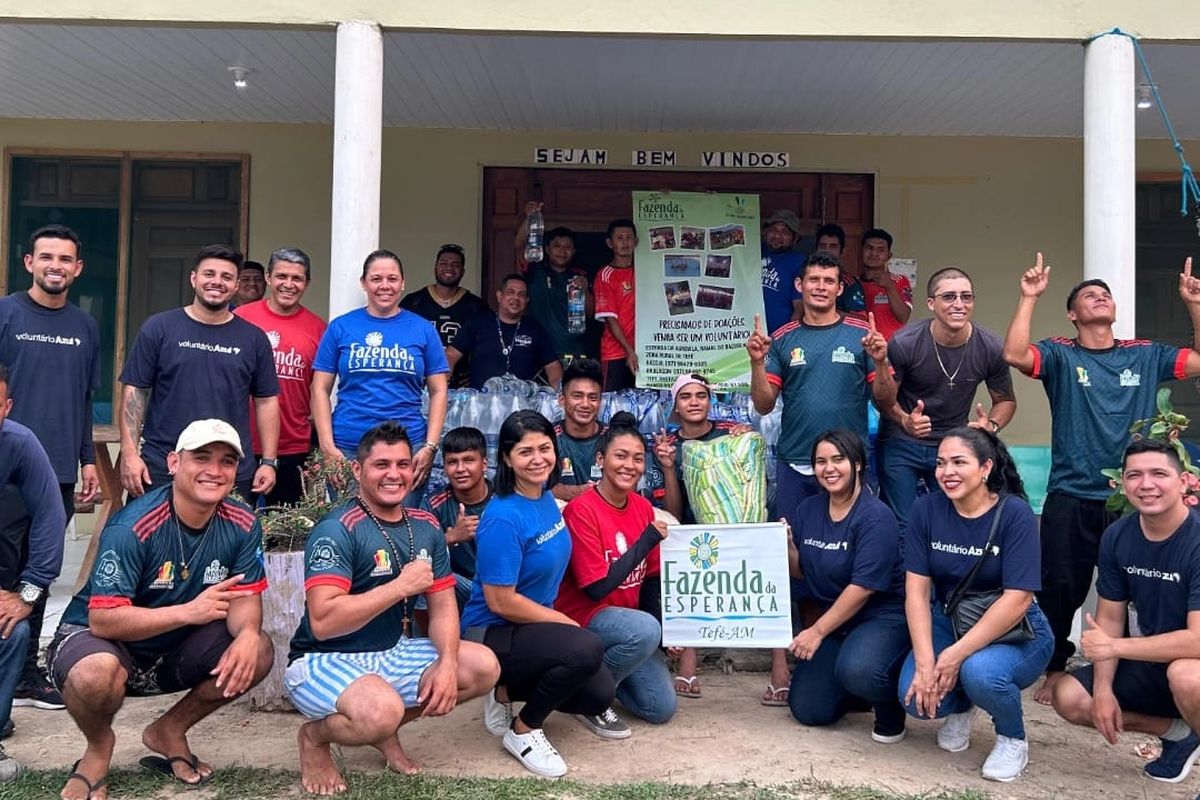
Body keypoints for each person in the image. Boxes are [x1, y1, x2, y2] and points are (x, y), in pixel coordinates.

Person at [1002, 253, 1200, 704]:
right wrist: (1029, 296)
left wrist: (1194, 305)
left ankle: (1130, 670)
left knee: (1135, 588)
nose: (1101, 297)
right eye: (1090, 295)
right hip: (1071, 493)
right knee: (1060, 586)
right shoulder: (1059, 353)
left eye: (1105, 294)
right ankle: (1054, 666)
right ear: (1073, 314)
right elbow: (1014, 354)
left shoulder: (1146, 354)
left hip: (1133, 499)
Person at [48, 418, 274, 797]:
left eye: (226, 461)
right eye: (201, 458)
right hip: (100, 641)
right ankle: (99, 747)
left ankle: (168, 729)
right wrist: (188, 612)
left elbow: (245, 596)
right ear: (173, 463)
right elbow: (103, 619)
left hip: (168, 650)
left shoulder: (243, 522)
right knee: (95, 673)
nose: (214, 471)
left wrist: (249, 634)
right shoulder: (133, 525)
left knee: (259, 649)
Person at [286, 422, 499, 794]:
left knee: (482, 667)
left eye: (402, 464)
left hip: (390, 652)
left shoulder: (425, 525)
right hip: (324, 659)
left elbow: (444, 607)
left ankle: (386, 732)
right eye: (381, 465)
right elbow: (323, 622)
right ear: (358, 470)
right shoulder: (336, 529)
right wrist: (399, 586)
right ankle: (315, 738)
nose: (394, 474)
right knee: (380, 711)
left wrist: (447, 663)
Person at [460, 410, 614, 778]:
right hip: (490, 631)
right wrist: (564, 622)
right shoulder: (502, 517)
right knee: (585, 648)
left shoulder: (544, 497)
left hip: (530, 626)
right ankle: (524, 730)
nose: (537, 459)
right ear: (507, 459)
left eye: (544, 448)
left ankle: (503, 689)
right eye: (525, 451)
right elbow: (500, 601)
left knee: (596, 694)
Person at [898, 426, 1053, 783]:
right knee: (915, 699)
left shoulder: (1014, 514)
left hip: (1014, 629)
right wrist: (925, 663)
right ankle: (964, 706)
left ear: (985, 468)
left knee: (981, 673)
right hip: (950, 618)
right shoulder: (926, 509)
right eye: (940, 463)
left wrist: (953, 656)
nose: (946, 472)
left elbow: (1018, 599)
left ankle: (1012, 737)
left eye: (958, 462)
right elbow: (917, 592)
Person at [1052, 439, 1200, 784]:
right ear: (1122, 483)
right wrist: (1103, 690)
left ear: (1183, 482)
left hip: (1190, 665)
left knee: (1187, 676)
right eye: (1134, 475)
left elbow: (1197, 641)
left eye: (1158, 473)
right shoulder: (1118, 536)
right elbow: (1110, 619)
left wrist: (1116, 647)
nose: (1145, 484)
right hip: (1149, 663)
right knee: (1069, 696)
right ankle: (1180, 734)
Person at [0, 224, 99, 711]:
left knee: (38, 568)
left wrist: (88, 459)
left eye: (65, 259)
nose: (55, 266)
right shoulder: (6, 313)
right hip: (6, 468)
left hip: (57, 468)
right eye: (46, 257)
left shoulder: (85, 326)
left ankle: (24, 675)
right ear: (29, 263)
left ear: (77, 269)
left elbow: (84, 399)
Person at [119, 244, 280, 501]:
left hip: (230, 467)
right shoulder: (159, 328)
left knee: (227, 541)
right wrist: (129, 454)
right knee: (152, 539)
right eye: (209, 274)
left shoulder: (254, 339)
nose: (217, 282)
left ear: (236, 285)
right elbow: (135, 391)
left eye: (226, 277)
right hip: (162, 465)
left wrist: (269, 462)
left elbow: (267, 401)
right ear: (194, 278)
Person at [784, 429, 909, 743]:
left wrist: (816, 631)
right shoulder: (808, 510)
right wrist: (786, 547)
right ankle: (853, 690)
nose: (829, 468)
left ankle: (888, 705)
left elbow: (863, 588)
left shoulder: (876, 517)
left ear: (857, 464)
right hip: (836, 619)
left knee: (861, 670)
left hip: (879, 616)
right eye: (820, 461)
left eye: (838, 459)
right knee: (808, 710)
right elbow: (802, 572)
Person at [650, 373, 767, 700]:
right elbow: (672, 510)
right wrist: (670, 467)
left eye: (700, 395)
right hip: (691, 531)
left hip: (738, 529)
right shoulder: (667, 444)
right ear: (675, 406)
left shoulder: (734, 433)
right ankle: (688, 662)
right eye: (685, 397)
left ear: (710, 400)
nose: (694, 402)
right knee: (680, 549)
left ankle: (779, 666)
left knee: (768, 558)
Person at [558, 412, 677, 731]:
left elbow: (651, 579)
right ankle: (587, 696)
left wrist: (667, 634)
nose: (630, 466)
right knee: (645, 630)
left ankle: (601, 675)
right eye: (620, 456)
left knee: (659, 707)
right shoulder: (581, 509)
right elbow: (596, 588)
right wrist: (647, 539)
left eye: (638, 459)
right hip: (586, 620)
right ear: (600, 459)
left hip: (628, 626)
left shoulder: (640, 506)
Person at [874, 267, 1016, 530]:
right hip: (903, 442)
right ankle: (909, 573)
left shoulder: (990, 346)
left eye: (967, 297)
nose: (959, 304)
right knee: (904, 525)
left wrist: (991, 427)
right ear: (931, 303)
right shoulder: (905, 342)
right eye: (949, 297)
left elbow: (1005, 400)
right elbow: (882, 400)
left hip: (954, 445)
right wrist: (904, 420)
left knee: (951, 521)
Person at [747, 250, 891, 506]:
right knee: (792, 542)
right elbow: (763, 405)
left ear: (839, 289)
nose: (821, 287)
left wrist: (880, 363)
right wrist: (756, 362)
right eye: (814, 280)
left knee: (847, 541)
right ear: (799, 285)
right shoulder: (782, 338)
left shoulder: (862, 336)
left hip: (847, 461)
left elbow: (885, 401)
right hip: (796, 459)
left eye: (829, 281)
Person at [311, 250, 449, 497]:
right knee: (348, 527)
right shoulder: (341, 327)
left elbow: (439, 390)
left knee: (402, 529)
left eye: (392, 279)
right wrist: (327, 447)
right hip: (349, 446)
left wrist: (430, 446)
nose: (384, 286)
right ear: (364, 283)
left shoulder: (422, 330)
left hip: (407, 448)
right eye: (376, 279)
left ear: (403, 283)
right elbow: (320, 389)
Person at [0, 362, 67, 781]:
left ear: (6, 407)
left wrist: (27, 594)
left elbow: (49, 516)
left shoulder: (21, 444)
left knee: (14, 630)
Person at [234, 247, 326, 506]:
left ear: (307, 283)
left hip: (293, 447)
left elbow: (320, 390)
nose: (289, 284)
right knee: (233, 529)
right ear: (268, 277)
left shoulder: (318, 329)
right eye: (282, 276)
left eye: (297, 278)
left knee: (286, 537)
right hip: (240, 442)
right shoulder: (240, 318)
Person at [446, 273, 562, 390]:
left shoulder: (534, 329)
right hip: (480, 402)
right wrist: (442, 383)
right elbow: (451, 354)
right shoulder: (478, 322)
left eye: (521, 294)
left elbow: (553, 366)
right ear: (499, 296)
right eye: (510, 292)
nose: (516, 298)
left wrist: (560, 394)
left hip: (522, 403)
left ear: (527, 300)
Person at [421, 426, 492, 608]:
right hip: (461, 588)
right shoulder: (434, 504)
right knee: (422, 574)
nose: (460, 469)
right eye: (452, 462)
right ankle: (428, 636)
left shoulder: (503, 498)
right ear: (444, 467)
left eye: (468, 460)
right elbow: (416, 555)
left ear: (484, 464)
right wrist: (451, 537)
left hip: (503, 586)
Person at [399, 243, 488, 388]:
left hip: (460, 388)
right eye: (444, 263)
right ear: (435, 267)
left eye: (455, 264)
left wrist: (477, 374)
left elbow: (489, 345)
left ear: (463, 271)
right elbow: (396, 338)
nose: (449, 268)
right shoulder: (413, 302)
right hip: (418, 384)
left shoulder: (476, 306)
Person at [515, 203, 593, 361]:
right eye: (557, 246)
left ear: (574, 251)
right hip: (539, 351)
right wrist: (530, 218)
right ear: (547, 249)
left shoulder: (580, 276)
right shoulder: (535, 271)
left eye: (567, 247)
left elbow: (590, 314)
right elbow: (519, 246)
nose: (562, 251)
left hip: (574, 349)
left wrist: (585, 291)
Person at [553, 358, 606, 502]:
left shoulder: (613, 439)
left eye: (592, 397)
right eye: (577, 396)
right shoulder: (548, 439)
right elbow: (536, 489)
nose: (585, 404)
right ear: (562, 400)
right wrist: (578, 493)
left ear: (600, 402)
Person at [594, 219, 639, 391]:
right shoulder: (606, 275)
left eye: (629, 237)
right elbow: (610, 319)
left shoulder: (644, 270)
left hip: (644, 351)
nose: (625, 242)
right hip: (616, 352)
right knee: (613, 406)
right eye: (620, 238)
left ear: (636, 241)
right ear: (609, 243)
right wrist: (629, 351)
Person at [857, 229, 912, 340]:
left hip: (892, 348)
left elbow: (904, 317)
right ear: (861, 251)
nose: (874, 253)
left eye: (881, 250)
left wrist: (889, 286)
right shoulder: (854, 284)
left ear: (889, 255)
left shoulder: (900, 281)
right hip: (862, 346)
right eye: (869, 248)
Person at [759, 209, 806, 334]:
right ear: (765, 232)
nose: (777, 236)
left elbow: (799, 306)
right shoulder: (753, 250)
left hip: (778, 335)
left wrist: (788, 335)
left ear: (795, 238)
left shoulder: (798, 262)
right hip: (744, 333)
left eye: (784, 231)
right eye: (773, 230)